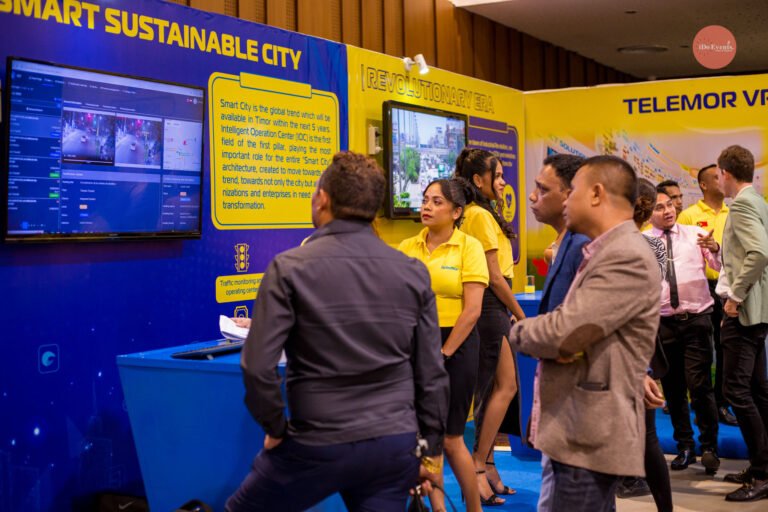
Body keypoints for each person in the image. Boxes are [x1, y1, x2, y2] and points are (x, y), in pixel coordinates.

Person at [226, 151, 450, 512]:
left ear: (322, 199)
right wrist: (431, 449)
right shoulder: (412, 271)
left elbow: (257, 367)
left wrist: (276, 428)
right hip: (393, 447)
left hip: (315, 443)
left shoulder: (289, 268)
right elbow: (431, 373)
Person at [509, 155, 660, 511]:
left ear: (595, 194)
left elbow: (566, 332)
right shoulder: (604, 249)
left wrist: (518, 331)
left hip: (587, 431)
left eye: (572, 190)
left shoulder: (625, 255)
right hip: (577, 428)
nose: (566, 200)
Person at [398, 178, 488, 512]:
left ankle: (474, 508)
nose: (427, 207)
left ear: (456, 212)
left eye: (437, 202)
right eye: (425, 200)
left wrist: (443, 352)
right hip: (416, 346)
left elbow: (473, 310)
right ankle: (437, 509)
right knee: (424, 439)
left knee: (451, 438)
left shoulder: (469, 247)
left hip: (456, 347)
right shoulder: (407, 247)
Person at [455, 148, 525, 506]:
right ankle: (478, 467)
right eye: (497, 176)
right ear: (478, 180)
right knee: (495, 388)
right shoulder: (479, 215)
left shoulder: (478, 213)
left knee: (503, 386)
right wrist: (520, 313)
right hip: (491, 305)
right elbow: (495, 277)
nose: (502, 183)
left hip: (494, 305)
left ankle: (488, 464)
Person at [527, 153, 588, 512]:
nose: (532, 196)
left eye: (542, 189)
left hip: (575, 397)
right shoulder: (565, 244)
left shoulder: (582, 245)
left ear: (569, 195)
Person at [648, 186, 722, 474]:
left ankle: (709, 447)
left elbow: (717, 266)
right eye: (659, 207)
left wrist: (715, 250)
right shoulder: (643, 241)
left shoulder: (695, 235)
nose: (668, 210)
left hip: (696, 320)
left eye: (670, 205)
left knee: (699, 385)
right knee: (674, 389)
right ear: (648, 212)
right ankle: (685, 447)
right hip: (663, 323)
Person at [616, 179, 674, 512]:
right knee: (647, 434)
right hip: (645, 342)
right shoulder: (655, 246)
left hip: (626, 347)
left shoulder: (615, 246)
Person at [715, 145, 768, 502]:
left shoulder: (743, 204)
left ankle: (762, 473)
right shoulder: (758, 201)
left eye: (718, 174)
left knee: (736, 391)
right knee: (757, 389)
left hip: (744, 311)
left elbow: (760, 252)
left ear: (727, 174)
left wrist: (734, 296)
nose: (718, 179)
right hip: (756, 310)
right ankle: (762, 467)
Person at [678, 164, 737, 426]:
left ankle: (722, 403)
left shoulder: (733, 213)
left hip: (728, 289)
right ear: (703, 185)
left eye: (723, 176)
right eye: (716, 177)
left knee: (725, 347)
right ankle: (699, 401)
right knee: (700, 348)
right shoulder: (688, 216)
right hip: (698, 289)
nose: (722, 180)